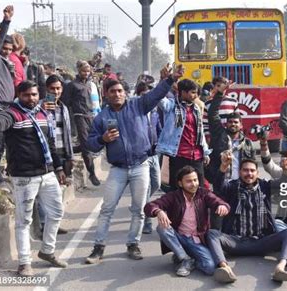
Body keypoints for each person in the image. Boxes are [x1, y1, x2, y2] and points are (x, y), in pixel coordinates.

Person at [84, 66, 184, 265]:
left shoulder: (138, 105)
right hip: (118, 169)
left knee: (139, 210)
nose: (117, 94)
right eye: (113, 91)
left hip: (141, 165)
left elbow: (156, 95)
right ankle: (98, 248)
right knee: (107, 209)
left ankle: (133, 244)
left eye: (120, 91)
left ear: (125, 92)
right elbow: (90, 143)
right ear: (106, 94)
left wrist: (170, 79)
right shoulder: (101, 118)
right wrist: (103, 139)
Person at [0, 80, 68, 276]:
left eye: (34, 95)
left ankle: (47, 251)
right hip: (24, 178)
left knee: (57, 212)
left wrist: (58, 167)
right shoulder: (12, 113)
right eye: (27, 95)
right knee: (23, 221)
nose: (31, 98)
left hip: (47, 174)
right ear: (19, 95)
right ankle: (25, 263)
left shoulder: (42, 113)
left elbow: (51, 144)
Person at [206, 156, 287, 283]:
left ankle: (280, 268)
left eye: (252, 171)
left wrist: (286, 170)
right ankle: (224, 268)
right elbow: (218, 186)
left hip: (261, 241)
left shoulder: (265, 186)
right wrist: (223, 167)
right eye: (245, 170)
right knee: (212, 233)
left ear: (257, 173)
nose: (249, 174)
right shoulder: (232, 187)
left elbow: (284, 185)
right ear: (240, 172)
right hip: (236, 242)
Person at [145, 166, 230, 277]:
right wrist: (158, 211)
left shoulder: (204, 194)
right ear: (180, 183)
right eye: (189, 181)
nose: (193, 184)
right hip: (179, 237)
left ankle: (187, 258)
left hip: (197, 240)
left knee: (209, 268)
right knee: (162, 227)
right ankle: (184, 258)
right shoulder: (173, 196)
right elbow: (149, 206)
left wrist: (222, 206)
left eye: (195, 180)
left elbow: (219, 202)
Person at [156, 68, 211, 191]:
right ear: (183, 93)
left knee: (199, 190)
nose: (195, 96)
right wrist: (163, 81)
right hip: (179, 155)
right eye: (192, 92)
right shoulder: (171, 105)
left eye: (196, 93)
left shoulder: (196, 108)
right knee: (177, 191)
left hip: (197, 156)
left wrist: (205, 152)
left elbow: (200, 132)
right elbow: (158, 98)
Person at [36, 74, 75, 235]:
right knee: (43, 191)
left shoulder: (64, 108)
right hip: (45, 154)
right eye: (52, 88)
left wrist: (70, 155)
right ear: (46, 89)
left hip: (62, 153)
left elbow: (67, 133)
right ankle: (45, 224)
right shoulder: (38, 107)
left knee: (58, 190)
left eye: (58, 88)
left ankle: (53, 223)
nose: (56, 91)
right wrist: (43, 111)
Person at [61, 61, 100, 186]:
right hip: (79, 117)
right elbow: (65, 103)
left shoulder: (91, 84)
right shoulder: (73, 85)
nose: (86, 73)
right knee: (86, 145)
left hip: (92, 116)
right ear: (78, 70)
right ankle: (92, 173)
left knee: (88, 144)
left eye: (88, 71)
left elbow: (97, 101)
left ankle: (68, 150)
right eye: (84, 71)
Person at [207, 78, 254, 182]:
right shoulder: (209, 103)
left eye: (236, 122)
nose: (233, 124)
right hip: (218, 135)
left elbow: (252, 163)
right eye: (230, 122)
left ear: (241, 125)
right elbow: (212, 116)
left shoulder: (246, 143)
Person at [0, 5, 15, 194]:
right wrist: (6, 22)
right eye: (4, 48)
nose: (6, 51)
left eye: (9, 49)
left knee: (0, 148)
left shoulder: (6, 63)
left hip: (7, 109)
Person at [134, 81, 162, 234]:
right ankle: (147, 222)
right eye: (144, 94)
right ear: (138, 95)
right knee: (145, 189)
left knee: (156, 184)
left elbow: (159, 129)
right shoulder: (135, 113)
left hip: (154, 153)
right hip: (141, 157)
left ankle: (140, 202)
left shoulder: (155, 111)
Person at [202, 77, 238, 146]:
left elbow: (237, 120)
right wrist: (208, 139)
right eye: (218, 86)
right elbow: (205, 124)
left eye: (224, 85)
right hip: (215, 138)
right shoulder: (208, 103)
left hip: (231, 137)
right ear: (213, 87)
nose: (222, 88)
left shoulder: (233, 101)